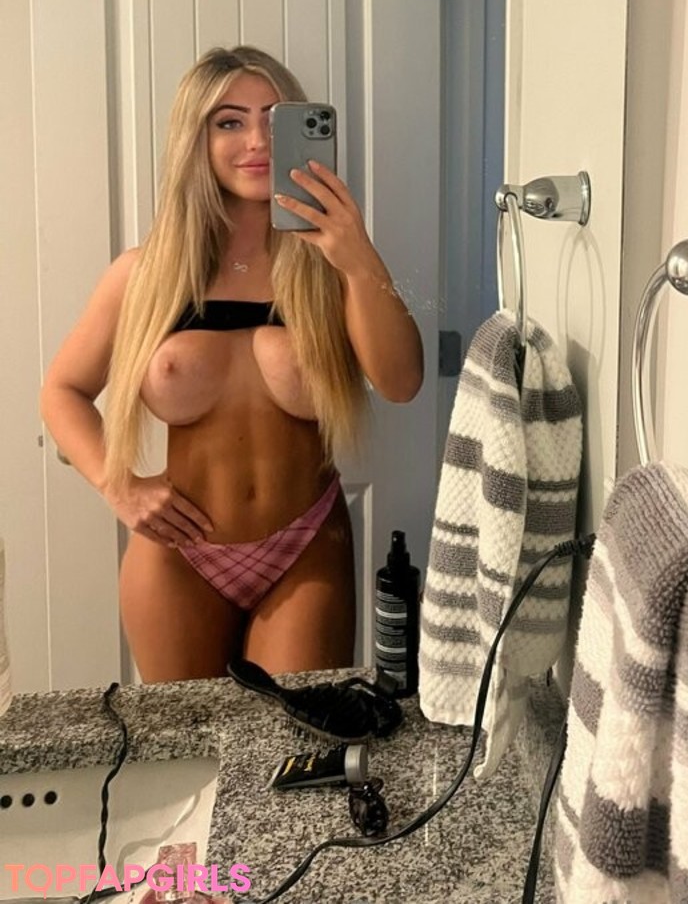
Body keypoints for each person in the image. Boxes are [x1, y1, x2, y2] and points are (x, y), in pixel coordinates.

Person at [40, 46, 423, 682]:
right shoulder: (147, 276)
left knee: (291, 735)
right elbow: (62, 390)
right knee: (183, 736)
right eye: (229, 122)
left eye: (275, 119)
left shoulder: (329, 272)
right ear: (197, 139)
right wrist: (119, 486)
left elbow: (402, 382)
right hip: (179, 555)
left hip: (306, 547)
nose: (257, 142)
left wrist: (358, 257)